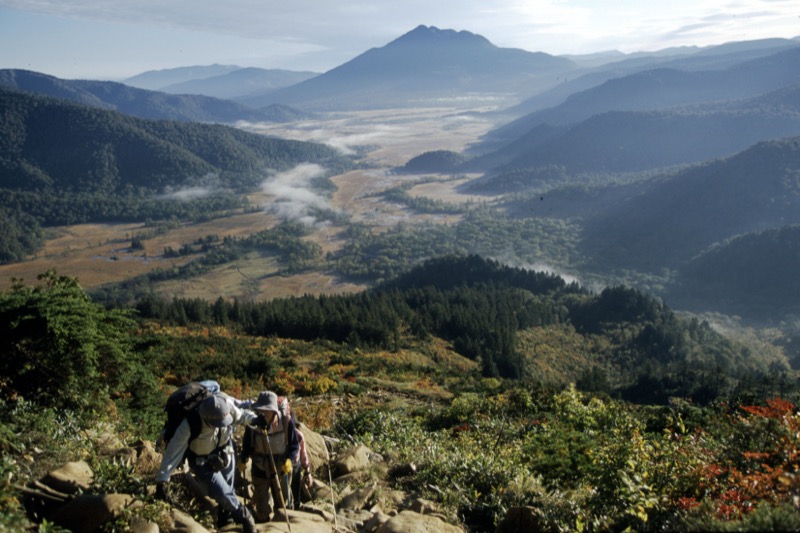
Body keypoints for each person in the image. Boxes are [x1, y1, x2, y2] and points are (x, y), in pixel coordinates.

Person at [156, 390, 258, 532]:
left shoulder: (227, 406)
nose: (220, 425)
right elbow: (173, 452)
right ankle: (245, 517)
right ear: (206, 417)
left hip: (224, 451)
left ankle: (225, 519)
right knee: (221, 491)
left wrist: (255, 420)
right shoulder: (190, 424)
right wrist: (162, 480)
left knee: (228, 487)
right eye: (216, 423)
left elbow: (241, 416)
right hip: (201, 461)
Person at [240, 391, 299, 523]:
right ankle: (264, 523)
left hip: (281, 467)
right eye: (260, 410)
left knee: (284, 500)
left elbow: (294, 445)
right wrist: (243, 458)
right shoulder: (253, 424)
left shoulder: (286, 423)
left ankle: (284, 524)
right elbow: (247, 445)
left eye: (266, 410)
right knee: (261, 503)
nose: (263, 413)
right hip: (259, 465)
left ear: (274, 411)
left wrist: (290, 460)